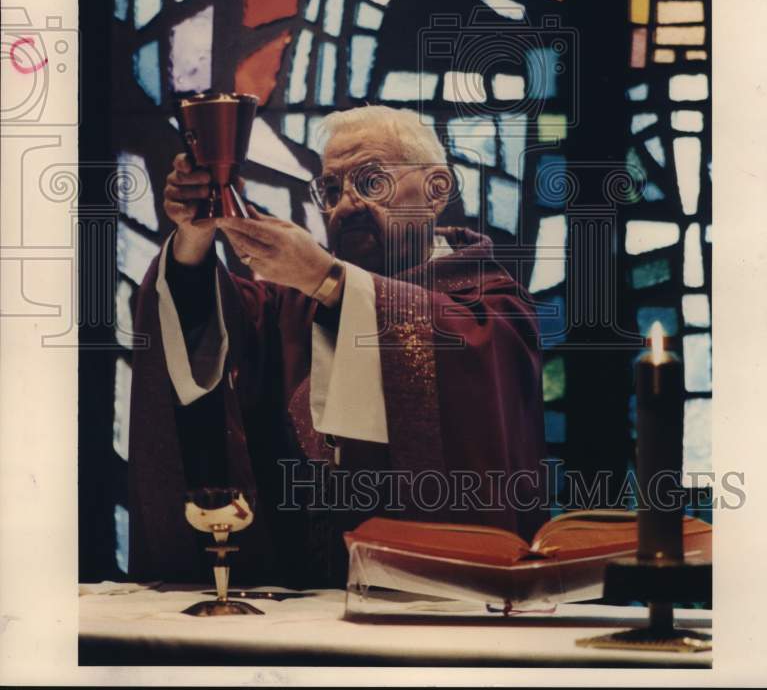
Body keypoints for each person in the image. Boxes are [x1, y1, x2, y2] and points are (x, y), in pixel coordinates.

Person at [128, 105, 547, 587]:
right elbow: (204, 330)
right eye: (331, 188)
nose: (345, 205)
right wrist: (195, 237)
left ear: (437, 190)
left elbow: (479, 404)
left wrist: (327, 279)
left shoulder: (489, 304)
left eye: (371, 182)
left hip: (436, 600)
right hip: (299, 594)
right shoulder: (291, 304)